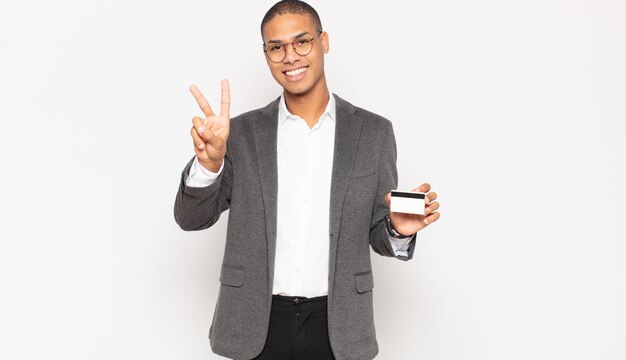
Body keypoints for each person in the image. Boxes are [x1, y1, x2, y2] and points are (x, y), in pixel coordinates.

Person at [174, 1, 441, 359]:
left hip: (338, 325)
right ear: (266, 54)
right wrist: (208, 164)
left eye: (302, 42)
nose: (290, 57)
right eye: (276, 47)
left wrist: (397, 230)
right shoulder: (240, 134)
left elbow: (379, 233)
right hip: (255, 323)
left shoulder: (374, 133)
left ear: (323, 42)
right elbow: (191, 219)